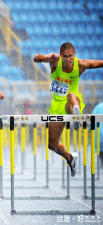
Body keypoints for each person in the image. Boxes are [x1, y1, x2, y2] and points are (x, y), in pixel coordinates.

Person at [33, 42, 103, 177]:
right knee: (52, 145)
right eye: (65, 56)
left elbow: (98, 63)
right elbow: (36, 59)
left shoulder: (81, 64)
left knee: (70, 96)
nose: (68, 59)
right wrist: (48, 58)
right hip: (57, 106)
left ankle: (75, 115)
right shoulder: (55, 62)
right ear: (61, 56)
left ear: (74, 54)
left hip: (73, 101)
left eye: (70, 56)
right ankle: (70, 158)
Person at [92, 102, 103, 167]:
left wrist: (90, 129)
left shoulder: (98, 107)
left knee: (100, 150)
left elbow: (91, 119)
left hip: (99, 133)